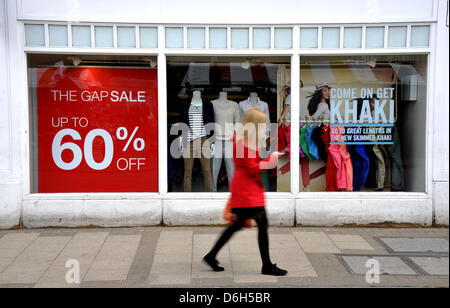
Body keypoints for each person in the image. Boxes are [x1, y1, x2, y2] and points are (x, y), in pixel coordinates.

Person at [203, 108, 288, 276]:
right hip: (247, 191)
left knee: (238, 225)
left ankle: (211, 256)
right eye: (262, 125)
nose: (264, 128)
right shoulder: (244, 143)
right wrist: (271, 160)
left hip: (246, 188)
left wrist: (271, 157)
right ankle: (267, 266)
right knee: (260, 225)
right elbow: (252, 168)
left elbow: (252, 165)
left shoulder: (245, 141)